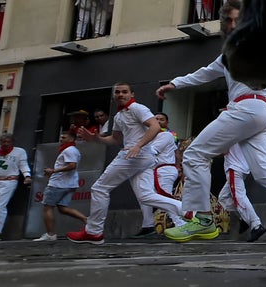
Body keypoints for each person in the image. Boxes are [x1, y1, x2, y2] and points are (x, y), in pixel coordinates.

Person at [157, 0, 266, 248]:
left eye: (240, 18)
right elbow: (204, 73)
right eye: (230, 20)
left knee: (194, 154)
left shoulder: (256, 42)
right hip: (260, 113)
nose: (234, 24)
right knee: (263, 172)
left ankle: (202, 219)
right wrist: (176, 83)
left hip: (247, 109)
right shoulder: (229, 53)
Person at [66, 82, 183, 244]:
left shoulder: (137, 108)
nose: (121, 94)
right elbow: (115, 139)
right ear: (114, 96)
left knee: (100, 188)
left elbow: (154, 127)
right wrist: (95, 138)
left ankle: (93, 231)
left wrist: (138, 145)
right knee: (146, 196)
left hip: (135, 155)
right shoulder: (119, 116)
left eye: (124, 92)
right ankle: (189, 212)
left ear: (131, 94)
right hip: (141, 157)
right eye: (117, 92)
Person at [134, 111, 181, 237]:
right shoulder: (150, 136)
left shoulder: (167, 135)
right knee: (145, 197)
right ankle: (148, 225)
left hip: (164, 170)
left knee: (166, 197)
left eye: (161, 119)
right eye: (156, 119)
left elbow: (152, 151)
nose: (158, 121)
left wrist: (135, 147)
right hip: (153, 170)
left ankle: (180, 224)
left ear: (166, 122)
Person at [35, 128, 85, 241]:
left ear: (71, 138)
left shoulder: (69, 150)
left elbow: (72, 165)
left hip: (58, 184)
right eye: (60, 137)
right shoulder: (71, 150)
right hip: (69, 184)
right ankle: (87, 220)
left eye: (64, 137)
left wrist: (53, 171)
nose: (61, 139)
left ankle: (50, 235)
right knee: (62, 208)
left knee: (48, 207)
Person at [218, 142, 265, 242]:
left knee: (238, 197)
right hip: (242, 166)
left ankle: (256, 225)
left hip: (234, 166)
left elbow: (224, 150)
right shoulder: (240, 129)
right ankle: (244, 219)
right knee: (223, 197)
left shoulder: (229, 130)